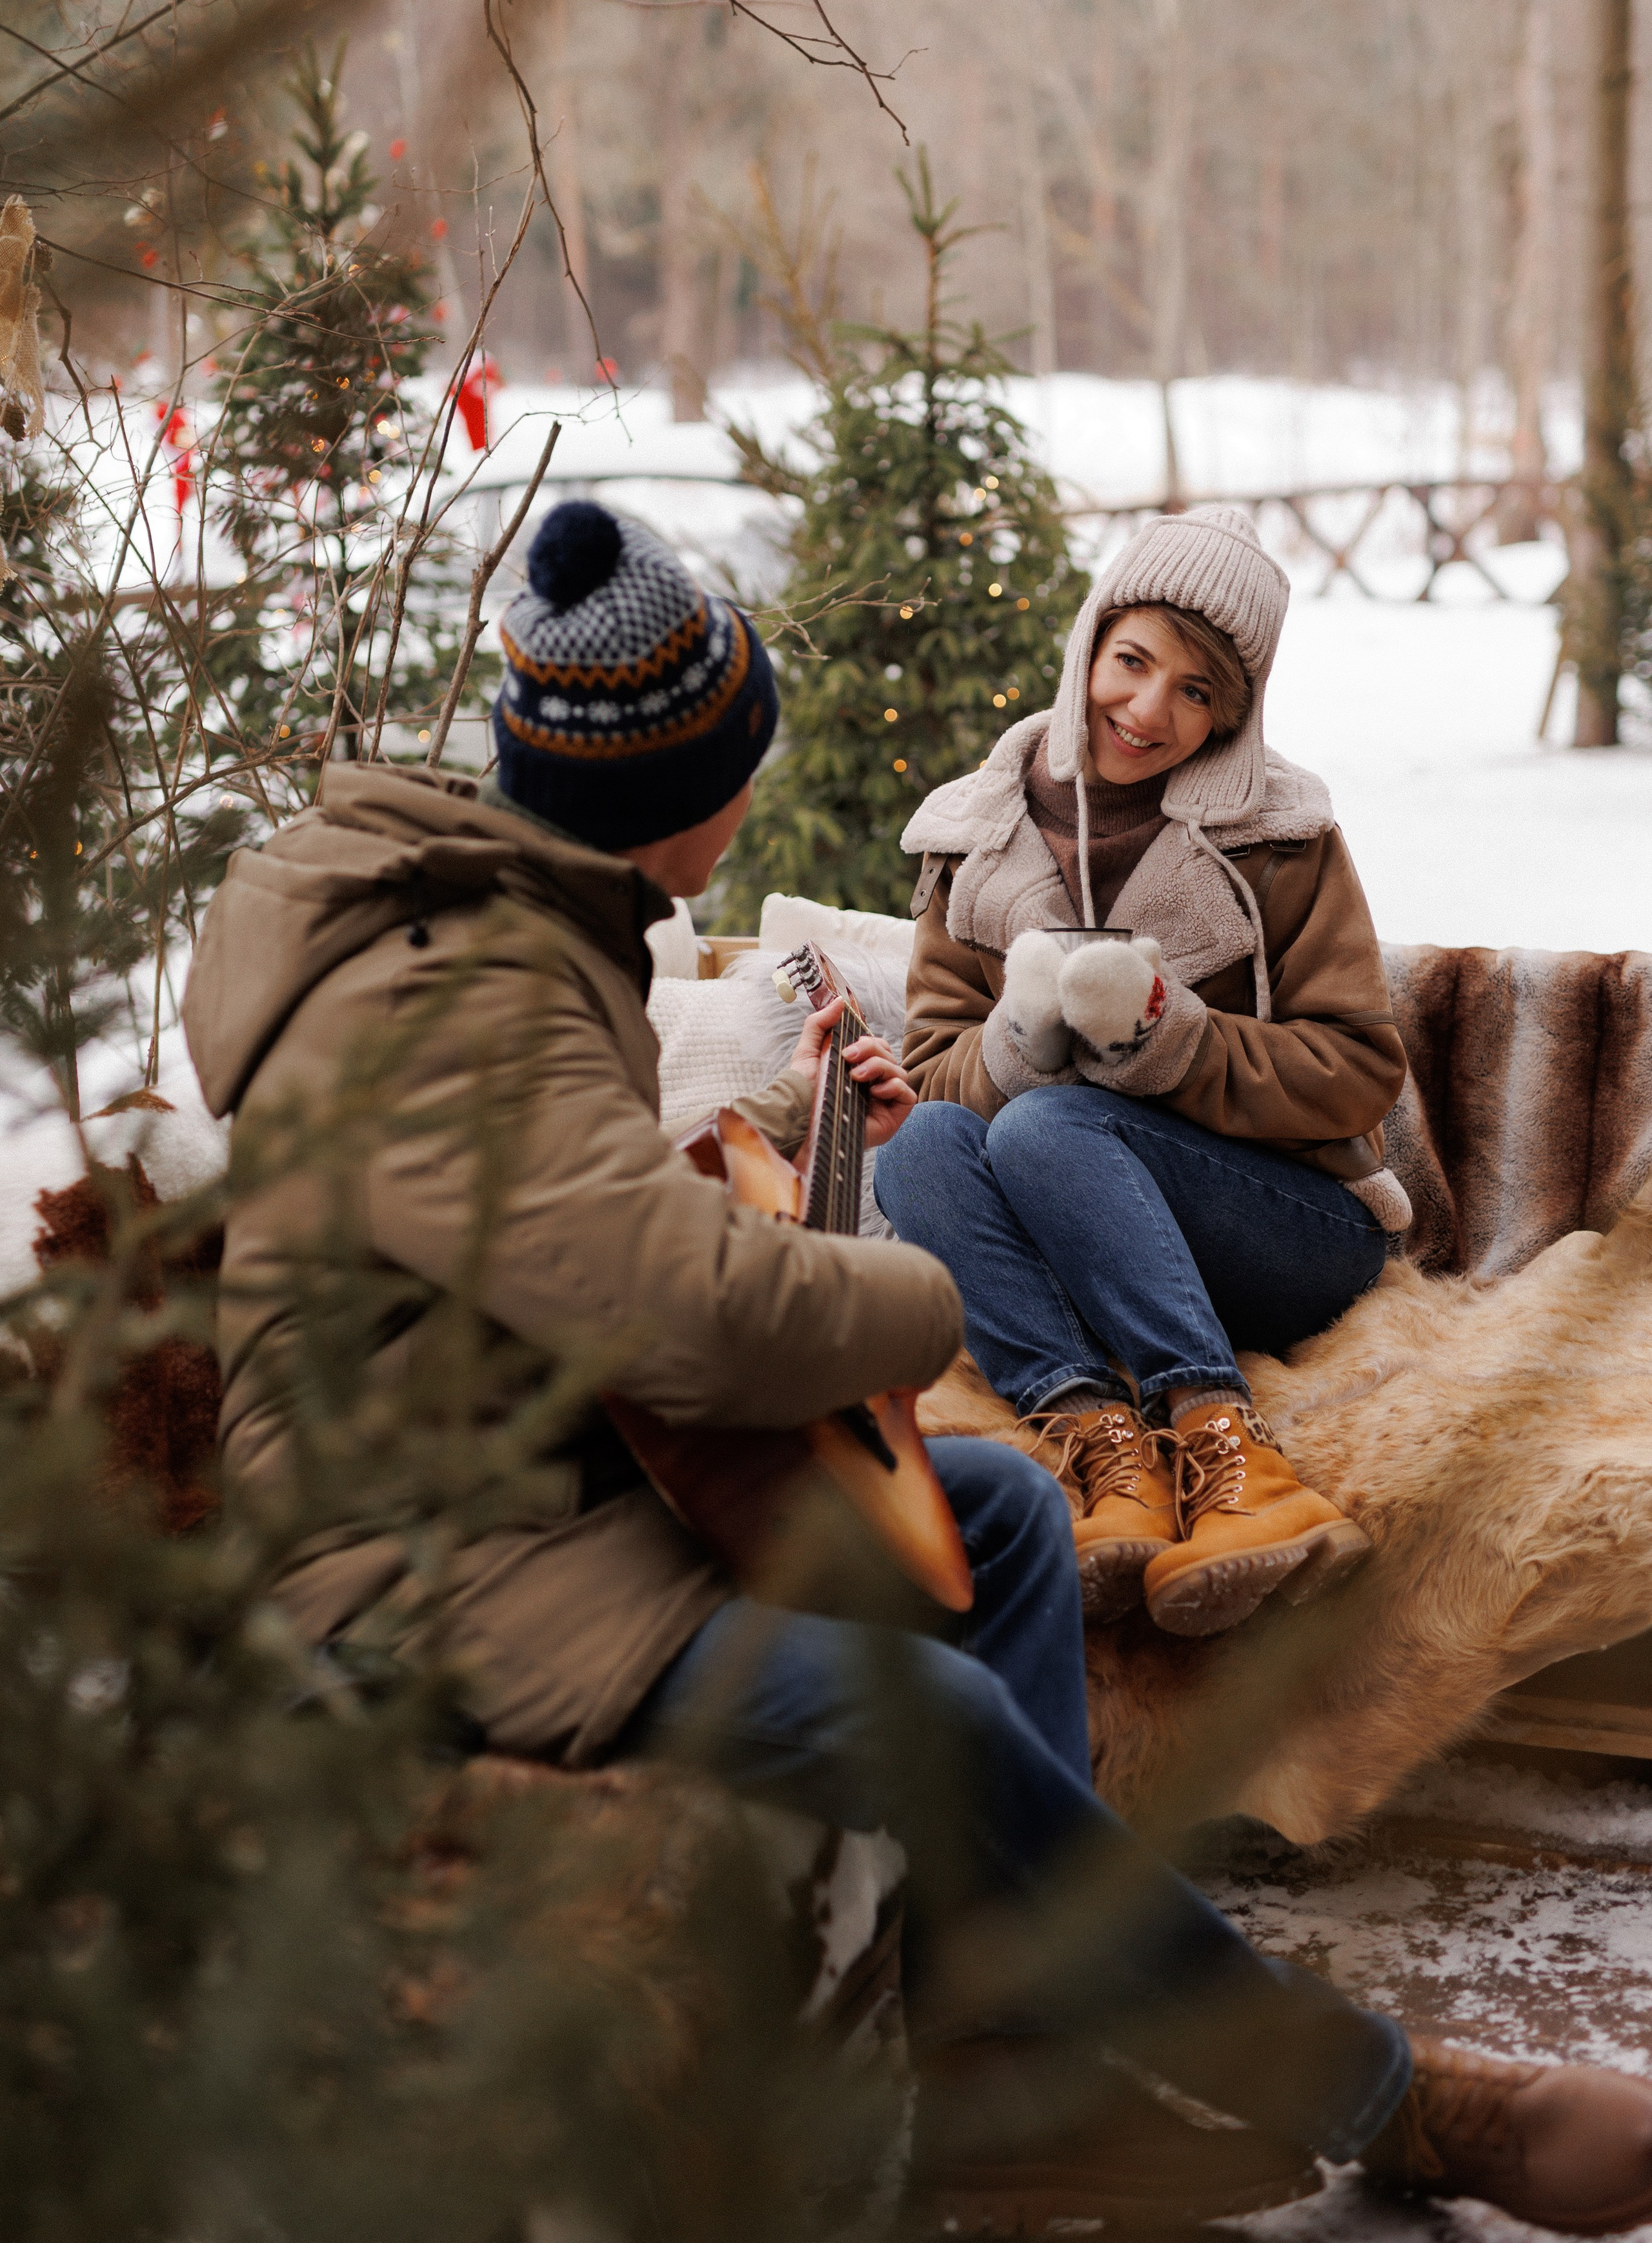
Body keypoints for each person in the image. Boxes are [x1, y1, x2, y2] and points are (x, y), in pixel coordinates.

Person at [183, 500, 1652, 2237]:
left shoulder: (510, 933)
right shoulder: (466, 992)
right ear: (685, 788)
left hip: (558, 1466)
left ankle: (989, 2054)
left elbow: (569, 1246)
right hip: (429, 1561)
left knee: (999, 1521)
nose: (1148, 704)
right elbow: (680, 1305)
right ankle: (1389, 2103)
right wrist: (920, 1295)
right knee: (938, 1704)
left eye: (1195, 683)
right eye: (744, 762)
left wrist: (1141, 1053)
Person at [876, 503, 1407, 1639]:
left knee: (1050, 1128)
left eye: (1197, 690)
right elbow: (929, 1073)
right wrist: (1018, 1039)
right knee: (921, 1145)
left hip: (1286, 1228)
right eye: (1132, 662)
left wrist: (1176, 1041)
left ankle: (1232, 1453)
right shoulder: (976, 834)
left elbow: (1360, 1069)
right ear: (1089, 643)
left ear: (1234, 714)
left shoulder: (1284, 835)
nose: (1149, 710)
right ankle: (1105, 1449)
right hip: (1074, 1241)